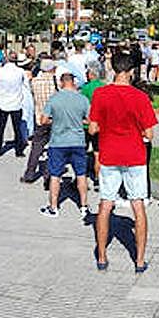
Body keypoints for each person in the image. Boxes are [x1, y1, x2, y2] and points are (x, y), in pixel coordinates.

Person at [89, 50, 158, 272]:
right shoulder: (140, 97)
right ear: (130, 71)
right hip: (135, 156)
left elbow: (93, 128)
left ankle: (101, 256)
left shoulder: (100, 94)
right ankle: (139, 260)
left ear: (113, 69)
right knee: (138, 206)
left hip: (109, 155)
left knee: (105, 204)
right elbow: (149, 134)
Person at [40, 70, 91, 219]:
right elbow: (90, 120)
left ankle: (53, 207)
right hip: (78, 140)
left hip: (58, 141)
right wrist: (78, 121)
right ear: (73, 82)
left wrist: (54, 121)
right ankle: (83, 206)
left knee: (55, 175)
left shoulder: (54, 99)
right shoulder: (82, 99)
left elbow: (43, 120)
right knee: (81, 174)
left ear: (61, 83)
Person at [21, 58, 58, 184]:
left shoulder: (34, 82)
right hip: (55, 119)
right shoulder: (57, 82)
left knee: (36, 146)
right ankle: (48, 175)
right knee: (53, 147)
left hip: (40, 118)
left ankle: (29, 173)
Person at [0, 54, 28, 156]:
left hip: (3, 102)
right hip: (16, 103)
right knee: (17, 128)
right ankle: (19, 150)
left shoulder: (0, 71)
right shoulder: (20, 71)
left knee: (0, 128)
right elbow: (25, 84)